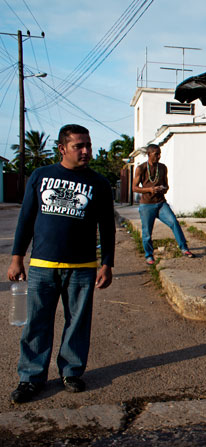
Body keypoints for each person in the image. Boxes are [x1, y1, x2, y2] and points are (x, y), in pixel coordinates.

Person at [7, 124, 115, 403]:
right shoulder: (42, 176)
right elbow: (26, 218)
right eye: (79, 146)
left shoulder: (99, 183)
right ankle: (31, 377)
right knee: (37, 322)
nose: (86, 151)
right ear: (62, 148)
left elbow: (107, 227)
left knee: (77, 322)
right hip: (42, 265)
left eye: (88, 145)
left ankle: (72, 372)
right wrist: (17, 258)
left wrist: (107, 264)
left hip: (82, 267)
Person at [132, 144, 194, 265]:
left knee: (174, 222)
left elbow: (167, 185)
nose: (159, 156)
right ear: (149, 154)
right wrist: (149, 190)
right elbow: (134, 188)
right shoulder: (141, 168)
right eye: (156, 154)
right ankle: (149, 255)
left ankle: (184, 248)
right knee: (147, 233)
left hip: (161, 203)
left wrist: (163, 188)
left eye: (159, 153)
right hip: (147, 205)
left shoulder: (162, 167)